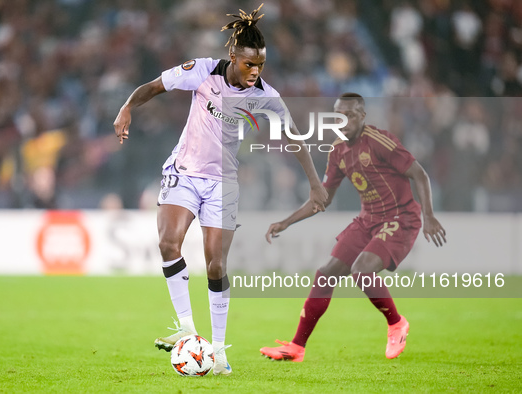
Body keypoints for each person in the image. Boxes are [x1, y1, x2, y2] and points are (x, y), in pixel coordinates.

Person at [113, 4, 328, 375]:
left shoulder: (265, 95)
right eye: (249, 64)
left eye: (260, 65)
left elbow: (293, 136)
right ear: (233, 57)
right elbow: (154, 86)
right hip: (184, 170)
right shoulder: (201, 71)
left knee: (216, 264)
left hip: (223, 184)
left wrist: (314, 182)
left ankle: (218, 350)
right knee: (168, 243)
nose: (255, 71)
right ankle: (185, 326)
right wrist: (127, 107)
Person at [260, 93, 447, 361]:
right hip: (368, 220)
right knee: (325, 274)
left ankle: (396, 324)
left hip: (400, 218)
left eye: (348, 115)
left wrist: (428, 215)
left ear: (362, 116)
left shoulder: (380, 141)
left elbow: (420, 174)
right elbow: (322, 198)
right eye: (338, 115)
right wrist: (286, 222)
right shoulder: (337, 150)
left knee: (361, 270)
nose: (342, 121)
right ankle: (297, 347)